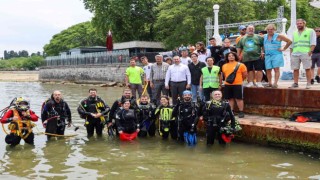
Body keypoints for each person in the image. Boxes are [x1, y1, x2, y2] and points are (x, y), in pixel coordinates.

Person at [290, 19, 317, 89]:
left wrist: (311, 51)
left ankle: (308, 83)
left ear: (304, 23)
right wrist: (291, 53)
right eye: (297, 24)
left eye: (300, 23)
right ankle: (295, 83)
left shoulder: (310, 31)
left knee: (307, 68)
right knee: (295, 69)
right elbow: (292, 44)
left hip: (305, 53)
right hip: (295, 53)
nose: (299, 25)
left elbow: (313, 42)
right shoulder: (294, 33)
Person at [263, 24, 292, 88]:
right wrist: (262, 52)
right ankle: (269, 83)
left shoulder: (279, 36)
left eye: (271, 29)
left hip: (276, 54)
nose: (270, 31)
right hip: (268, 55)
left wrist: (284, 48)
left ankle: (275, 83)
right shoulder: (264, 36)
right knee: (268, 69)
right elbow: (263, 45)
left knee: (276, 69)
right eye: (268, 29)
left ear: (274, 30)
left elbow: (289, 41)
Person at [222, 52, 247, 118]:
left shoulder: (241, 65)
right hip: (228, 84)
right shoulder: (224, 65)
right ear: (227, 58)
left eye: (232, 56)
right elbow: (225, 75)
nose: (231, 57)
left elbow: (244, 75)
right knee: (230, 98)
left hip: (238, 84)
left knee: (239, 98)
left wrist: (240, 80)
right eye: (229, 56)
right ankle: (231, 111)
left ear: (235, 56)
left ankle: (241, 111)